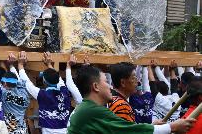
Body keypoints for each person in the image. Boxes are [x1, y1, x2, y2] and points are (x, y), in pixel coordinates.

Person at [67, 65, 196, 134]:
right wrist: (172, 127)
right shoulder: (93, 110)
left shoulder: (89, 109)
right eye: (106, 82)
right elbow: (130, 131)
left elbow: (124, 129)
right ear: (95, 86)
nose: (110, 86)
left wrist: (151, 126)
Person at [18, 51, 81, 134]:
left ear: (44, 81)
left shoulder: (42, 95)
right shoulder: (65, 93)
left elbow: (27, 83)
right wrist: (49, 64)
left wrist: (20, 64)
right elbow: (59, 80)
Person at [0, 53, 30, 134]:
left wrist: (10, 65)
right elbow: (20, 83)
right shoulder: (25, 94)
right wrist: (11, 66)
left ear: (5, 84)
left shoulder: (4, 93)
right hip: (22, 130)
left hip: (11, 130)